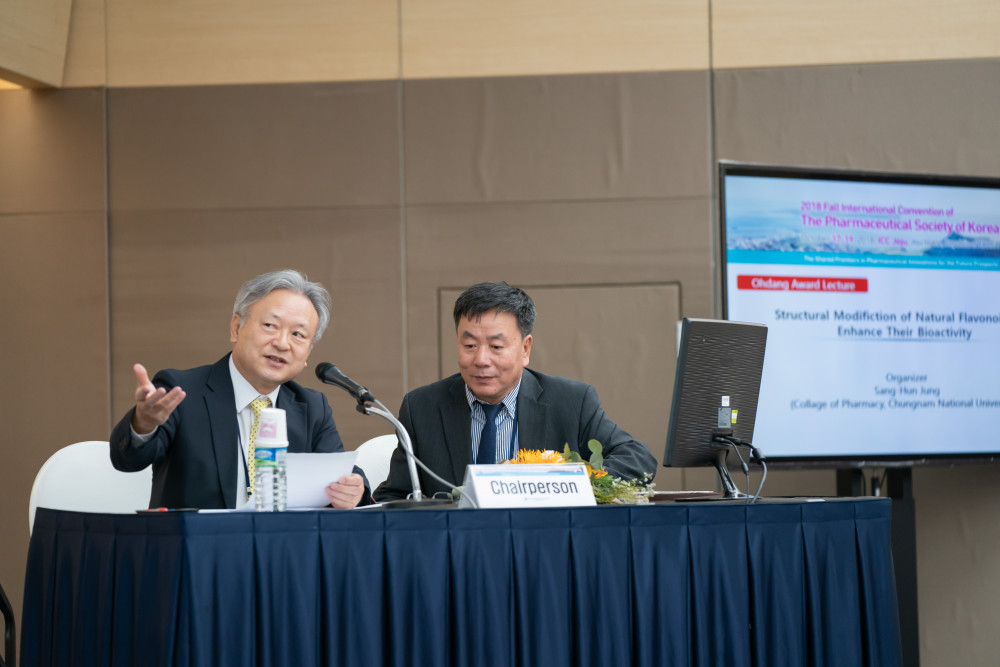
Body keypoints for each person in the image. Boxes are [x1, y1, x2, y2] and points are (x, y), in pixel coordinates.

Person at [110, 269, 371, 509]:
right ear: (236, 328)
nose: (282, 343)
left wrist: (353, 489)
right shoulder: (181, 392)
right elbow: (128, 460)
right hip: (197, 542)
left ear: (308, 354)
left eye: (298, 335)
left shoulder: (312, 408)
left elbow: (340, 472)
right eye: (270, 326)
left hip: (279, 543)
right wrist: (143, 426)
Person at [374, 281, 656, 502]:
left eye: (496, 347)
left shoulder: (571, 402)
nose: (481, 360)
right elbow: (393, 496)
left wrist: (566, 484)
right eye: (469, 346)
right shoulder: (422, 408)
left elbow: (638, 459)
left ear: (525, 349)